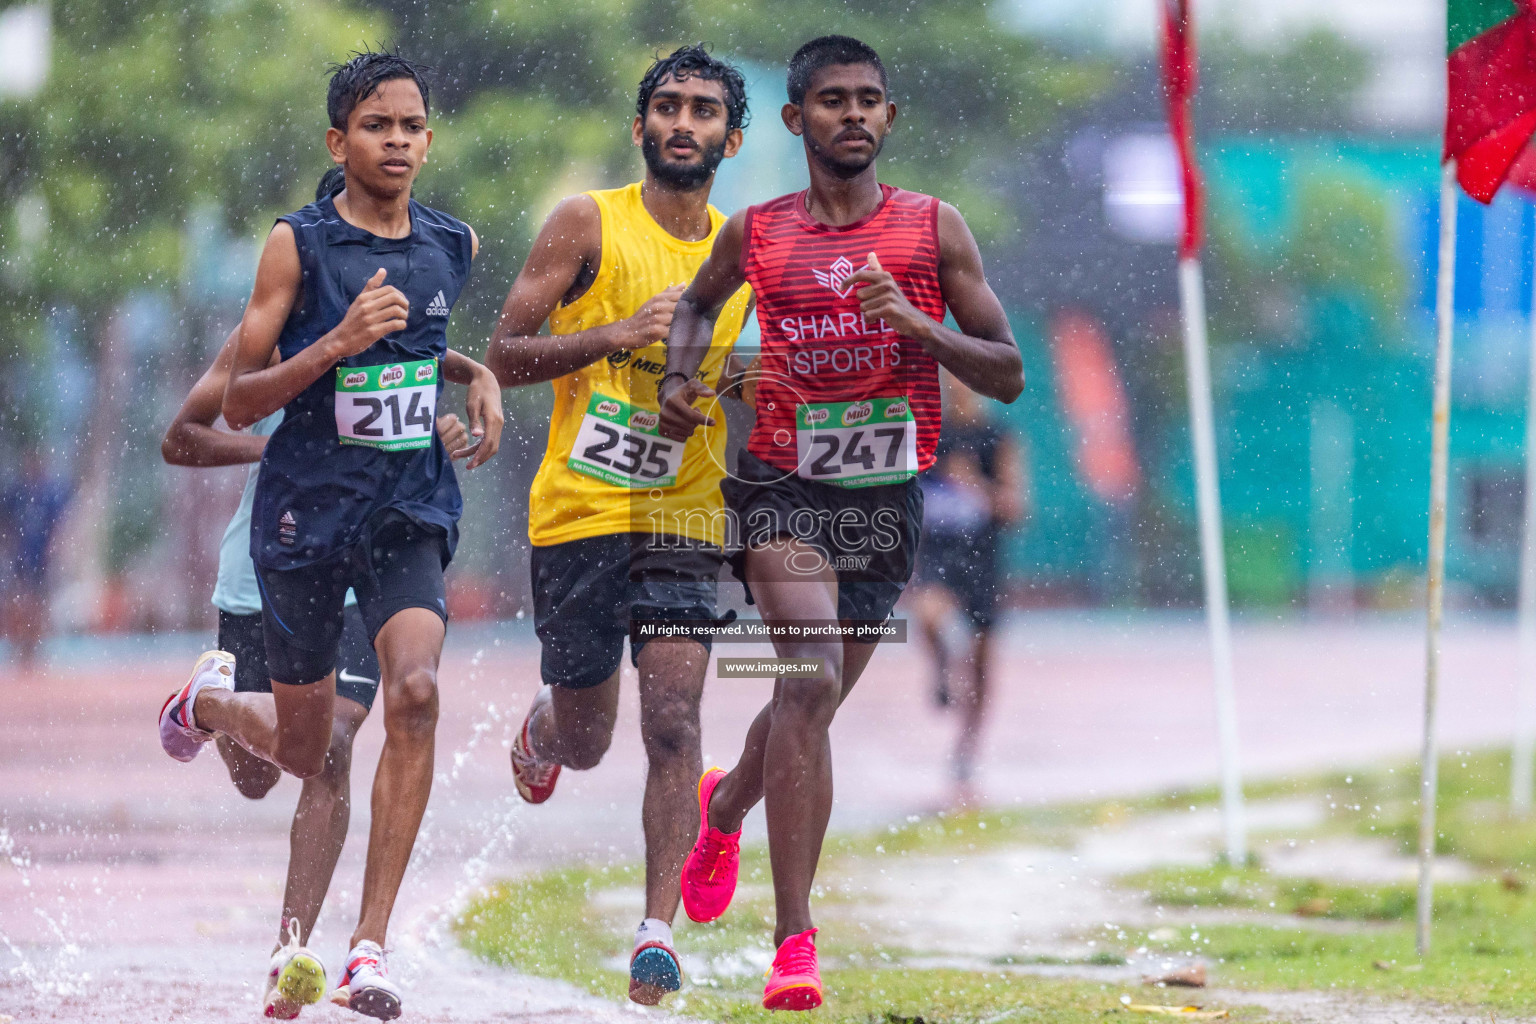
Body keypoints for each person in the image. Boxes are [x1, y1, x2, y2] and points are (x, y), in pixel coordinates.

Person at [657, 35, 1023, 1010]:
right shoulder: (759, 232)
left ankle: (727, 803)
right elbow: (696, 310)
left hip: (884, 501)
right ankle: (795, 942)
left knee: (806, 706)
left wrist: (920, 327)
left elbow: (1008, 370)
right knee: (808, 672)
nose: (852, 114)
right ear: (795, 120)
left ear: (888, 118)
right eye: (831, 100)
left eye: (868, 100)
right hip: (781, 486)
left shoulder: (932, 231)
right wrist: (680, 386)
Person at [156, 51, 503, 1021]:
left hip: (404, 518)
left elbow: (420, 346)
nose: (396, 140)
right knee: (304, 756)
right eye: (375, 125)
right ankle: (216, 705)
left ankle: (357, 950)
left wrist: (475, 377)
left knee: (417, 694)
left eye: (410, 126)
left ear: (429, 139)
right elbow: (227, 405)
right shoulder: (293, 248)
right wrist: (337, 343)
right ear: (337, 141)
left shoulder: (453, 245)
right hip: (302, 528)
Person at [482, 45, 752, 1006]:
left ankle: (655, 933)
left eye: (705, 110)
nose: (685, 123)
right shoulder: (586, 223)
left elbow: (739, 378)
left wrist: (723, 389)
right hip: (581, 510)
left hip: (686, 510)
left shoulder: (746, 252)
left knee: (675, 717)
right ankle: (546, 726)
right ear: (640, 128)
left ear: (733, 135)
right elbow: (504, 354)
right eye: (668, 108)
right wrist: (617, 334)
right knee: (592, 737)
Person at [907, 370, 1028, 804]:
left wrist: (974, 483)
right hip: (938, 555)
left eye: (964, 381)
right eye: (947, 380)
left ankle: (966, 751)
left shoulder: (997, 437)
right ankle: (940, 668)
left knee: (981, 666)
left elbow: (1016, 508)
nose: (955, 388)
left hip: (983, 557)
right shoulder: (924, 434)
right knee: (927, 614)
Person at [0, 447, 70, 671]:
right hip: (22, 555)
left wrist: (54, 548)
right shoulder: (18, 492)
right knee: (21, 600)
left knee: (36, 601)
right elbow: (8, 523)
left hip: (38, 556)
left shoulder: (48, 494)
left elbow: (59, 524)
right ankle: (21, 644)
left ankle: (34, 646)